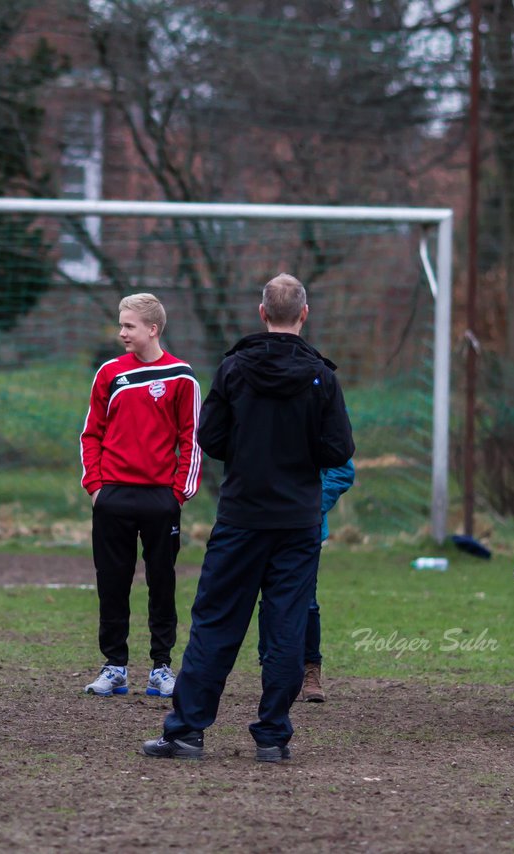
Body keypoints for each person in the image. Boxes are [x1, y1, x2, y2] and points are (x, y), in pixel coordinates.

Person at [142, 273, 354, 762]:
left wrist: (248, 449)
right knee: (285, 625)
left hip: (241, 516)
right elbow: (339, 448)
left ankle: (187, 731)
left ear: (262, 313)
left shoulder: (234, 369)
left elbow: (210, 439)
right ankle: (273, 736)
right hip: (298, 522)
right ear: (304, 314)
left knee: (216, 621)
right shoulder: (322, 377)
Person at [79, 293, 202, 699]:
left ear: (152, 329)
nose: (122, 333)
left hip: (160, 500)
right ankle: (114, 667)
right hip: (113, 497)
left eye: (129, 325)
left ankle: (161, 668)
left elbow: (192, 439)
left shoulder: (182, 376)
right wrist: (97, 488)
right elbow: (91, 433)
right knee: (112, 583)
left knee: (162, 584)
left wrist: (178, 495)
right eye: (121, 324)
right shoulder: (109, 373)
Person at [256, 458, 356, 703]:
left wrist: (311, 506)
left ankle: (311, 670)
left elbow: (342, 471)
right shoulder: (257, 422)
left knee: (306, 601)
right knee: (267, 600)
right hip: (258, 524)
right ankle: (271, 668)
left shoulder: (318, 420)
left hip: (304, 528)